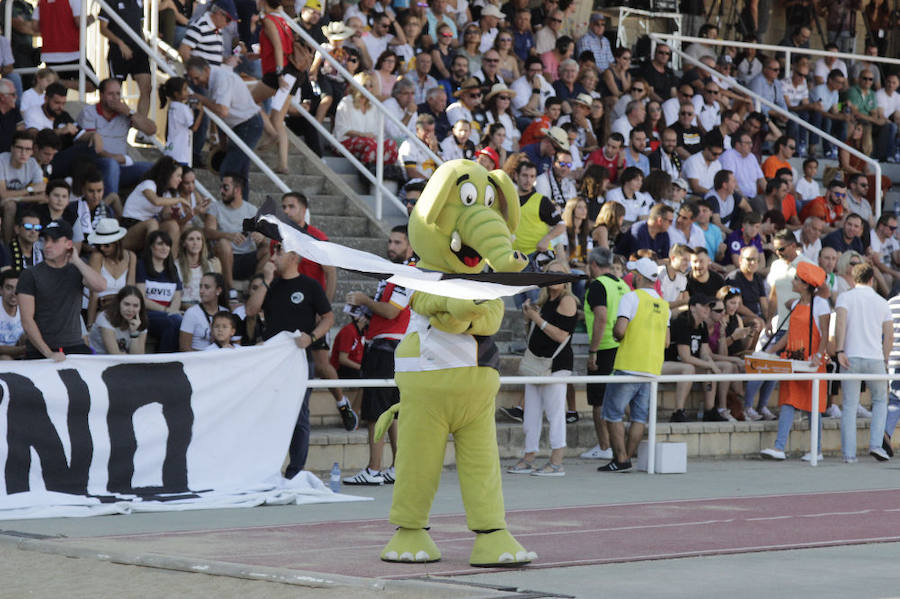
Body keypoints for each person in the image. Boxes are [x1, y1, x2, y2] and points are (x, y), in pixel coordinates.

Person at [245, 239, 335, 479]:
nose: (274, 255)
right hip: (271, 362)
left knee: (299, 414)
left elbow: (328, 317)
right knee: (267, 411)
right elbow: (251, 311)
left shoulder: (310, 286)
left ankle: (295, 470)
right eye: (274, 251)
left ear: (294, 256)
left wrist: (312, 337)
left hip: (300, 358)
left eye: (280, 251)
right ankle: (264, 467)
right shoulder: (270, 285)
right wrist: (265, 279)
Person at [343, 225, 415, 485]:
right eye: (390, 242)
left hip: (389, 348)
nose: (391, 247)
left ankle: (374, 469)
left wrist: (364, 300)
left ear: (410, 246)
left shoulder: (408, 274)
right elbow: (382, 311)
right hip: (385, 346)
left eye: (397, 242)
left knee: (376, 413)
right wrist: (362, 312)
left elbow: (391, 312)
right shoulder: (394, 274)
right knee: (392, 412)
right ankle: (398, 468)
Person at [597, 257, 670, 472]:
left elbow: (620, 330)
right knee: (639, 417)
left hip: (628, 365)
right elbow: (666, 341)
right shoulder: (665, 305)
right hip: (651, 368)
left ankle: (621, 459)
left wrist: (618, 336)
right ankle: (626, 457)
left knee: (612, 413)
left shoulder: (631, 298)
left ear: (638, 276)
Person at [507, 260, 576, 477]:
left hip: (556, 365)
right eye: (551, 272)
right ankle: (529, 457)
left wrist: (535, 318)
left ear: (566, 279)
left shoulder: (567, 301)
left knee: (555, 414)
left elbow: (561, 335)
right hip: (537, 364)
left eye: (559, 273)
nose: (555, 275)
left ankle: (557, 462)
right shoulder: (546, 300)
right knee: (531, 414)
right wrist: (531, 316)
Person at [760, 263, 831, 461]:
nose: (793, 281)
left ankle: (816, 450)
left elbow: (825, 333)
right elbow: (790, 334)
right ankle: (779, 447)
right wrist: (770, 351)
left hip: (811, 362)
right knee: (788, 401)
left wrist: (818, 355)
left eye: (797, 280)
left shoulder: (821, 305)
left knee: (812, 407)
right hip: (793, 358)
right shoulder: (797, 304)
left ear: (806, 285)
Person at [16, 220, 107, 359]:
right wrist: (48, 353)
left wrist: (77, 260)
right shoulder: (30, 274)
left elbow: (101, 286)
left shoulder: (77, 270)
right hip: (41, 350)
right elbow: (27, 320)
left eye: (54, 241)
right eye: (46, 240)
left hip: (74, 346)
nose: (47, 245)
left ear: (69, 244)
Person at [835, 262, 893, 463]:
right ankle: (876, 444)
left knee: (850, 406)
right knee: (880, 401)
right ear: (872, 279)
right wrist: (885, 358)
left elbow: (840, 323)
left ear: (853, 277)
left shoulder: (845, 297)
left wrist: (839, 350)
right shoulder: (881, 302)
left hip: (850, 356)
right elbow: (890, 335)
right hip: (875, 357)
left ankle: (849, 454)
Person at [185, 56, 263, 200]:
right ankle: (241, 211)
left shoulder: (221, 78)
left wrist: (200, 98)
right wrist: (222, 143)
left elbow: (222, 110)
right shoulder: (214, 78)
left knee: (229, 171)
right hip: (240, 125)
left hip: (248, 124)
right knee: (239, 173)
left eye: (197, 78)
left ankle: (234, 209)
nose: (196, 83)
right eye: (193, 80)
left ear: (207, 70)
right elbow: (221, 115)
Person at [581, 247, 629, 461]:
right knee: (617, 399)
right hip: (622, 348)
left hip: (604, 348)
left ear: (593, 264)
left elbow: (601, 317)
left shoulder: (598, 285)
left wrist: (593, 352)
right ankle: (618, 446)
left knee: (598, 402)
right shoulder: (623, 285)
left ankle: (604, 446)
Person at [78, 78, 156, 198]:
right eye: (111, 94)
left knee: (151, 168)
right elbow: (92, 145)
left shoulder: (125, 113)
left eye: (118, 94)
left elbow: (151, 130)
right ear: (101, 95)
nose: (115, 98)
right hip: (96, 166)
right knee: (111, 164)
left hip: (121, 167)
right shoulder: (89, 112)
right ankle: (110, 210)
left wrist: (129, 112)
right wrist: (115, 158)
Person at [204, 173, 261, 291]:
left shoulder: (252, 210)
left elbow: (263, 238)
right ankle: (230, 290)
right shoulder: (215, 207)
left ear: (237, 190)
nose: (221, 190)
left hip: (247, 257)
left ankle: (255, 286)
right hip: (225, 256)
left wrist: (260, 235)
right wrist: (228, 235)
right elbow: (208, 232)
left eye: (225, 187)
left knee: (267, 249)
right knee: (224, 244)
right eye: (221, 187)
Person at [121, 156, 187, 251]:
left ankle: (172, 263)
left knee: (172, 225)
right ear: (168, 174)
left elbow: (165, 216)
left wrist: (175, 214)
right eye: (178, 176)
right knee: (153, 223)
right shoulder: (148, 184)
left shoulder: (167, 193)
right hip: (130, 227)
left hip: (149, 230)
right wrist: (179, 199)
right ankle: (151, 262)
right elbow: (156, 201)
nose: (180, 180)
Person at [136, 230, 183, 353]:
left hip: (169, 315)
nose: (164, 248)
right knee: (172, 322)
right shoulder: (141, 266)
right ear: (151, 247)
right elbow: (141, 298)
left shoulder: (172, 269)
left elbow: (177, 297)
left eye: (167, 245)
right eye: (160, 244)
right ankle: (165, 359)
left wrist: (172, 311)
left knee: (178, 321)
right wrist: (167, 311)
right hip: (147, 314)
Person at [86, 218, 136, 327]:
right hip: (102, 307)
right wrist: (90, 324)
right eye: (99, 245)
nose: (102, 248)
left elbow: (131, 291)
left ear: (117, 243)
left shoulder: (131, 257)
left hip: (124, 309)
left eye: (106, 245)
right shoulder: (97, 257)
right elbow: (93, 294)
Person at [0, 129, 45, 243]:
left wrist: (18, 198)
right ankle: (8, 246)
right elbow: (3, 194)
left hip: (19, 201)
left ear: (32, 151)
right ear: (12, 148)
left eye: (28, 149)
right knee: (10, 205)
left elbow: (42, 196)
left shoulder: (33, 164)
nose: (23, 153)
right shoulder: (2, 160)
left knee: (46, 203)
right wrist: (30, 189)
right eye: (20, 148)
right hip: (3, 202)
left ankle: (38, 245)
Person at [88, 285, 147, 354]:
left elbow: (138, 357)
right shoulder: (105, 317)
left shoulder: (140, 320)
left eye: (135, 306)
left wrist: (134, 333)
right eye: (126, 304)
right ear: (119, 303)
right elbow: (115, 354)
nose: (130, 310)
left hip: (124, 360)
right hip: (99, 359)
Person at [159, 77, 202, 167]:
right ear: (177, 94)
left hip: (170, 149)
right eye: (185, 89)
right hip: (180, 154)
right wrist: (201, 111)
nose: (188, 92)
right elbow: (194, 127)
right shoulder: (183, 108)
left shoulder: (172, 106)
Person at [176, 227, 221, 308]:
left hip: (205, 305)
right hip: (184, 305)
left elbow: (217, 294)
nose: (195, 242)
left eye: (198, 239)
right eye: (191, 239)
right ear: (183, 243)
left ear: (202, 243)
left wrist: (218, 274)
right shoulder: (176, 265)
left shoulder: (210, 265)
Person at [0, 269, 25, 359]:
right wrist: (20, 350)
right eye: (9, 288)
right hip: (4, 357)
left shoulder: (25, 307)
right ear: (1, 290)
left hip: (19, 354)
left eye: (18, 288)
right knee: (4, 357)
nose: (14, 293)